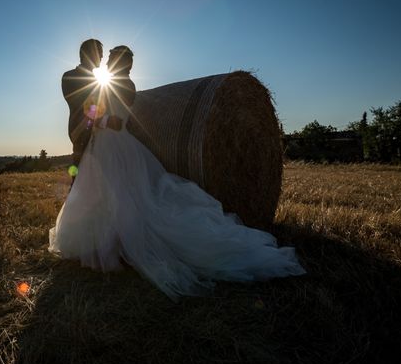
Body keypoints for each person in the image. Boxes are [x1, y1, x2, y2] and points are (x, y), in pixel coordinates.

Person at [49, 45, 306, 302]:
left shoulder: (125, 85)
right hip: (102, 142)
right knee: (102, 191)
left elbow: (113, 116)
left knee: (120, 193)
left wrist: (100, 121)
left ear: (122, 63)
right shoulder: (97, 82)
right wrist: (95, 121)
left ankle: (116, 241)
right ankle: (104, 239)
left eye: (111, 59)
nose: (106, 62)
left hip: (114, 142)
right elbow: (91, 109)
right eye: (106, 58)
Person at [61, 39, 122, 185]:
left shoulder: (98, 80)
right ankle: (74, 200)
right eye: (99, 53)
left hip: (100, 135)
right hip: (81, 131)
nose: (101, 58)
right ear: (87, 54)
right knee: (78, 172)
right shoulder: (70, 77)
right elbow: (78, 105)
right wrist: (106, 121)